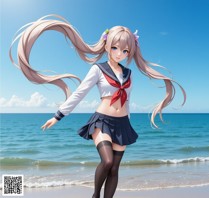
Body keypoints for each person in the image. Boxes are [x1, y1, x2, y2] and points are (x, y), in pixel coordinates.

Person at [9, 14, 186, 198]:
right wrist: (58, 116)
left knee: (115, 169)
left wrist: (128, 123)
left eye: (125, 51)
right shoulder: (98, 69)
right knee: (108, 162)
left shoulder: (129, 73)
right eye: (115, 47)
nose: (120, 53)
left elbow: (127, 100)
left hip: (123, 123)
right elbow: (80, 93)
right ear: (107, 45)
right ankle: (95, 195)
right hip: (102, 121)